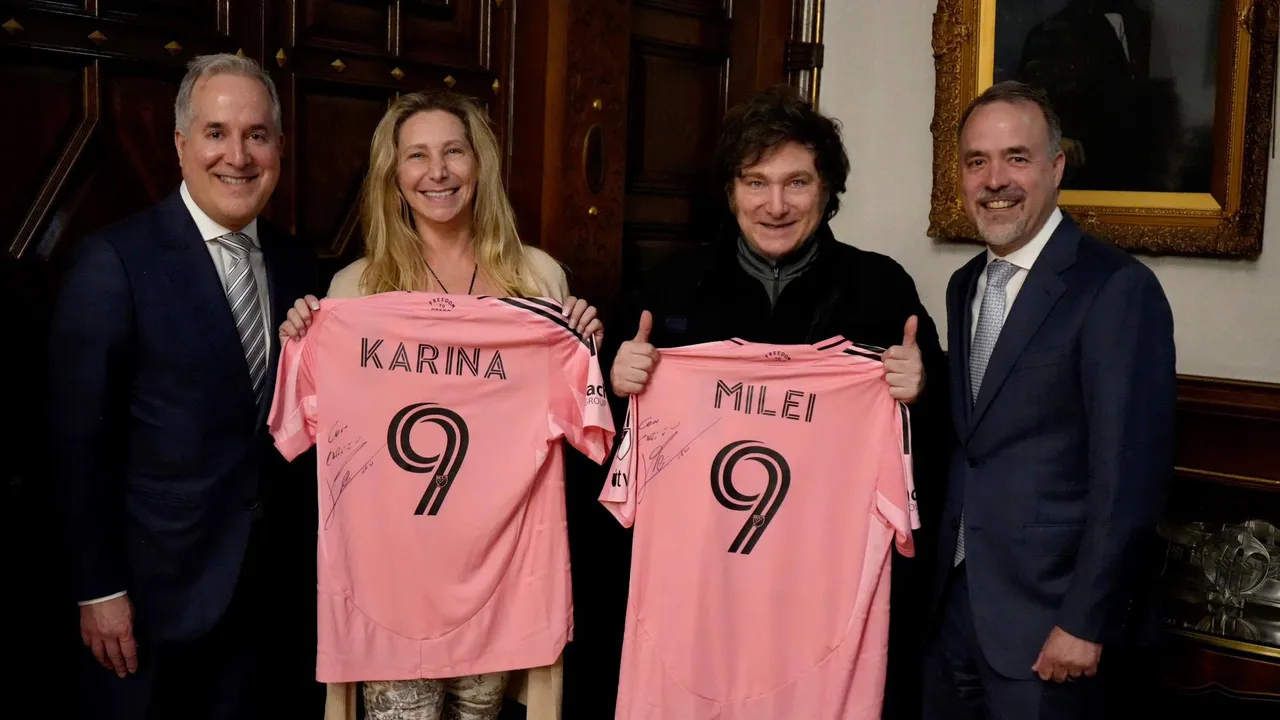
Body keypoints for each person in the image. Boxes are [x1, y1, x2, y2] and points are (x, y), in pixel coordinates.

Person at [607, 84, 949, 720]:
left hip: (817, 580)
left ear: (828, 190)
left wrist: (921, 389)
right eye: (755, 182)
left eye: (797, 183)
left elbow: (935, 439)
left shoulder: (880, 288)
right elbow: (608, 438)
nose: (775, 204)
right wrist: (618, 380)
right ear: (731, 191)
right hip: (701, 584)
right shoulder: (671, 285)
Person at [279, 90, 603, 720]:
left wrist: (581, 342)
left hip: (499, 573)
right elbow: (317, 429)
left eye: (454, 151)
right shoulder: (354, 291)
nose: (438, 171)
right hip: (392, 582)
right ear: (393, 176)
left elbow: (578, 418)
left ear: (479, 165)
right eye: (417, 155)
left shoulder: (538, 280)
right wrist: (308, 339)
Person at [48, 54, 322, 719]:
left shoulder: (300, 266)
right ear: (180, 145)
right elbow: (76, 445)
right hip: (149, 601)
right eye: (216, 133)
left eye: (257, 135)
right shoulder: (113, 262)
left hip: (271, 601)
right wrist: (98, 588)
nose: (238, 155)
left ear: (279, 148)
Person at [923, 80, 1175, 719]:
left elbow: (1130, 479)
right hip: (954, 608)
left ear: (1056, 167)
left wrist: (1086, 622)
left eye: (1017, 157)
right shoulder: (964, 285)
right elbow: (978, 442)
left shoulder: (1116, 288)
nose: (994, 179)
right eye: (977, 161)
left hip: (1050, 625)